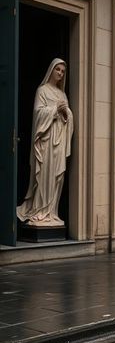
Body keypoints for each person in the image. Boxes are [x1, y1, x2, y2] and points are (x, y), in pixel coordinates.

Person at [17, 58, 73, 227]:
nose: (60, 74)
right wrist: (55, 110)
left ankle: (52, 212)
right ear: (51, 70)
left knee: (57, 176)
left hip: (59, 141)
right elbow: (37, 114)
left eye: (63, 71)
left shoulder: (62, 94)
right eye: (58, 70)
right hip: (45, 142)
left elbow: (68, 119)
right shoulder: (42, 90)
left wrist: (66, 113)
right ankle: (40, 211)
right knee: (44, 176)